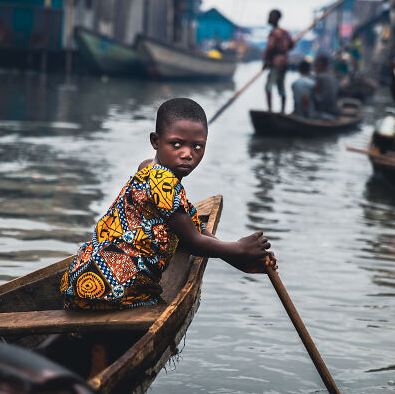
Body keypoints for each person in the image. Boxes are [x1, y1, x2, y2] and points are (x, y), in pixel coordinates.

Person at [61, 98, 275, 310]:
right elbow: (192, 241)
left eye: (197, 147)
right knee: (156, 305)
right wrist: (239, 247)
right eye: (176, 144)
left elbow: (190, 228)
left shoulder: (147, 168)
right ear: (155, 141)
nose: (187, 154)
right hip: (114, 288)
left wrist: (240, 259)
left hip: (83, 277)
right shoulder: (164, 183)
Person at [263, 9, 295, 113]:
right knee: (281, 87)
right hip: (285, 63)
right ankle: (282, 111)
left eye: (270, 16)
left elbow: (270, 48)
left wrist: (265, 62)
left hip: (276, 63)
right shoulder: (285, 32)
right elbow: (291, 44)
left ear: (275, 18)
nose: (268, 18)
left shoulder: (274, 33)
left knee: (268, 87)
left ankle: (270, 110)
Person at [312, 53, 339, 120]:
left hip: (325, 112)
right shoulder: (333, 77)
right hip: (334, 111)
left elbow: (316, 97)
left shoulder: (320, 77)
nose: (315, 68)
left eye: (317, 66)